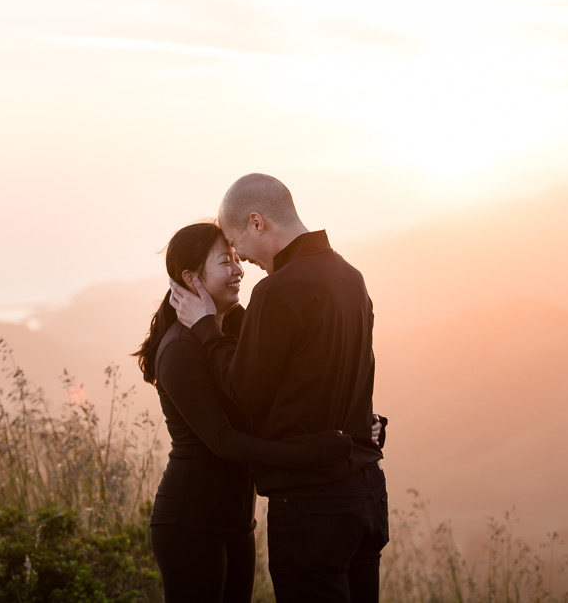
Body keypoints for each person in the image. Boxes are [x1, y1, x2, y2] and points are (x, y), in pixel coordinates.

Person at [169, 174, 389, 602]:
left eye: (237, 244)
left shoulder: (277, 291)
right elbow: (349, 379)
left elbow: (243, 395)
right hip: (366, 493)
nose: (241, 260)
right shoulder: (352, 278)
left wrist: (204, 328)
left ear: (257, 222)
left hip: (312, 504)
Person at [134, 221, 362, 603]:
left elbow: (281, 395)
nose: (239, 269)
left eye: (237, 258)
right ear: (191, 278)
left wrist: (352, 424)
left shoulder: (231, 335)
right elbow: (223, 441)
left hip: (238, 524)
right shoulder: (179, 348)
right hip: (190, 523)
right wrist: (311, 453)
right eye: (226, 261)